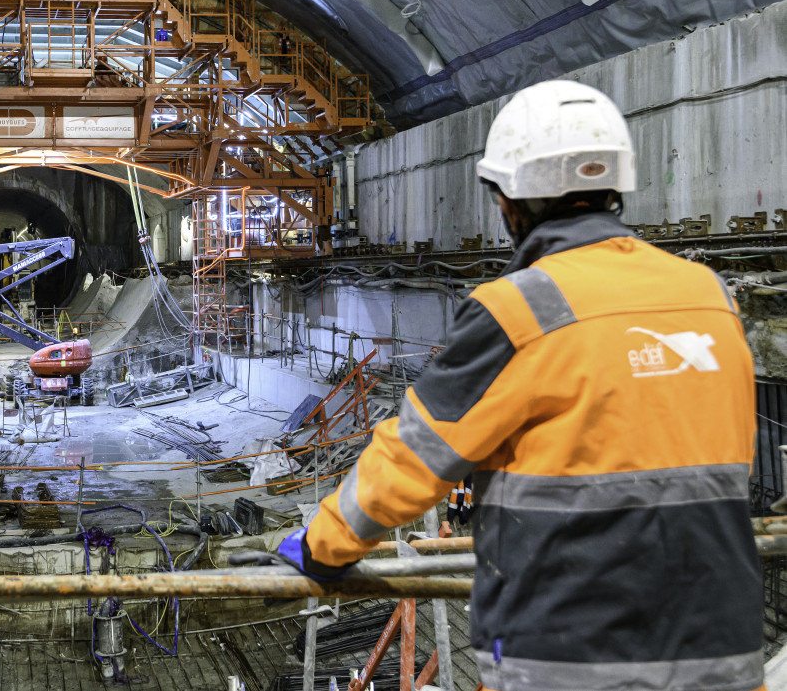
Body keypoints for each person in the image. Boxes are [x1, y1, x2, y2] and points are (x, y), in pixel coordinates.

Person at [278, 80, 762, 691]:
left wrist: (326, 545)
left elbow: (416, 456)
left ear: (509, 200)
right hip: (724, 648)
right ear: (616, 185)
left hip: (572, 654)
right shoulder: (709, 296)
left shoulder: (519, 309)